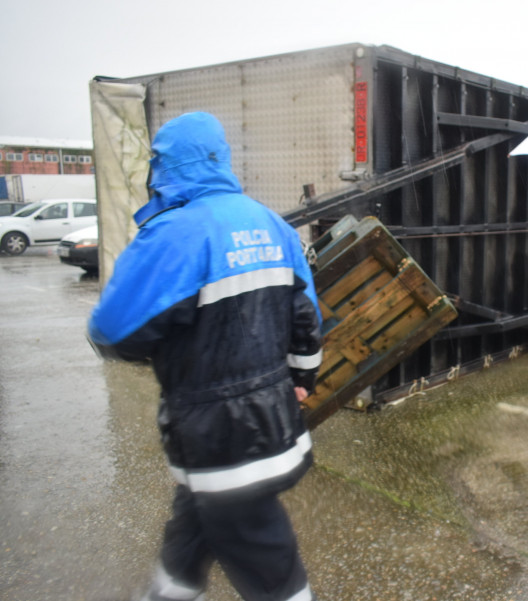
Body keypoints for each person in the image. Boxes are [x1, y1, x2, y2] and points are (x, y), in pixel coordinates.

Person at [88, 112, 323, 601]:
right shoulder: (270, 223)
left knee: (266, 559)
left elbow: (112, 330)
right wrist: (304, 377)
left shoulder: (173, 233)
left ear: (166, 166)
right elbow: (307, 315)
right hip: (270, 421)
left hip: (218, 438)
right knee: (190, 529)